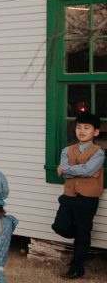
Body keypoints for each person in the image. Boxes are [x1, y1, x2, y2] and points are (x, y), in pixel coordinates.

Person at [52, 111, 104, 279]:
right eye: (78, 127)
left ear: (95, 132)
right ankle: (84, 237)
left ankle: (77, 267)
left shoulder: (99, 152)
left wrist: (68, 169)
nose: (81, 131)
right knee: (60, 226)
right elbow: (66, 174)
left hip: (88, 198)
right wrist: (83, 172)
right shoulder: (67, 150)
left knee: (82, 232)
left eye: (86, 128)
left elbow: (87, 169)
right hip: (68, 196)